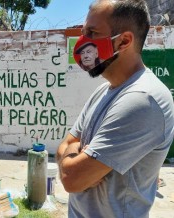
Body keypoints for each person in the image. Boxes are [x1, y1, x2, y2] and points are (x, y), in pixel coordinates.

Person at [56, 0, 174, 217]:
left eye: (92, 32)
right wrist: (74, 153)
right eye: (83, 32)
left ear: (124, 41)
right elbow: (66, 145)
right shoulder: (103, 91)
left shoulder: (143, 99)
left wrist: (72, 159)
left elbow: (71, 180)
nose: (82, 42)